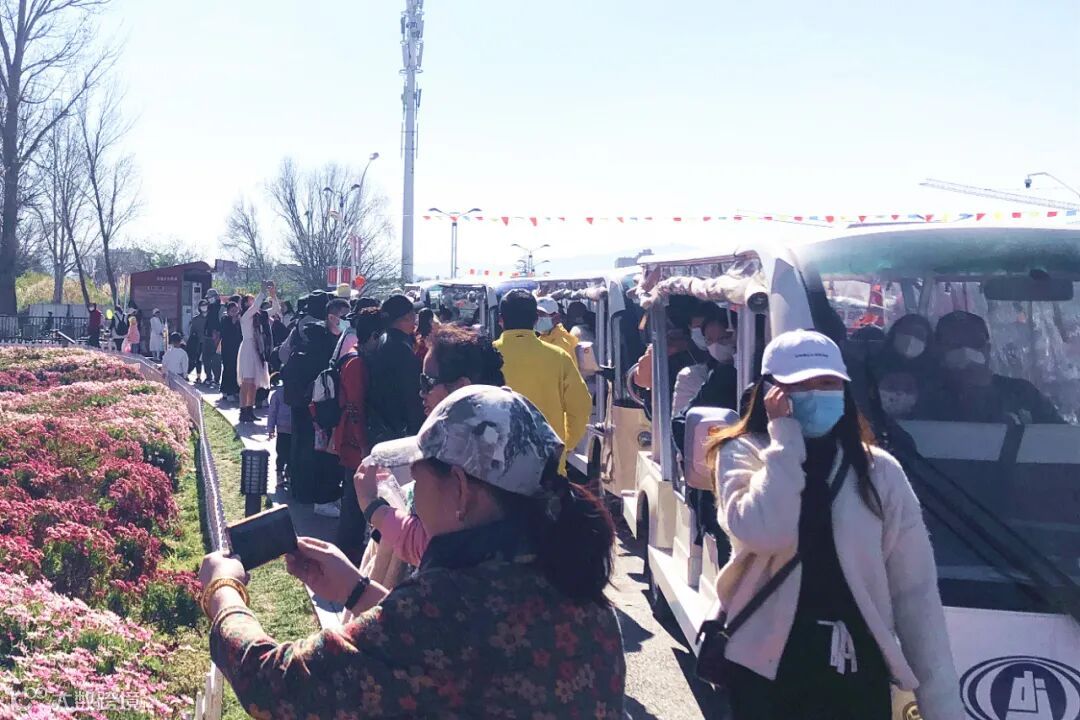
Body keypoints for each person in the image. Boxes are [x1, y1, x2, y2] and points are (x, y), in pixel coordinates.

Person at [199, 384, 626, 718]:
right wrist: (356, 591)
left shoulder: (445, 607)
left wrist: (223, 592)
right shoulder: (586, 601)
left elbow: (279, 683)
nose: (413, 496)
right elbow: (449, 660)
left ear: (460, 489)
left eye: (418, 480)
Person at [705, 329, 962, 720]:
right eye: (799, 385)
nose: (816, 393)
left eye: (828, 383)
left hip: (855, 671)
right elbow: (765, 532)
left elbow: (915, 594)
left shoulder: (879, 471)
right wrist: (784, 440)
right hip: (765, 674)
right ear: (771, 392)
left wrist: (942, 707)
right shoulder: (743, 454)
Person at [357, 323, 507, 568]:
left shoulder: (463, 452)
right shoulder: (505, 431)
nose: (421, 393)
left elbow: (436, 547)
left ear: (461, 387)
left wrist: (373, 507)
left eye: (427, 382)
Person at [494, 290, 591, 472]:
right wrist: (565, 444)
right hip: (548, 464)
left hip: (496, 466)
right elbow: (581, 406)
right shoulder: (559, 357)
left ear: (500, 319)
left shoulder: (487, 355)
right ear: (536, 319)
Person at [930, 310, 1063, 424]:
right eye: (954, 344)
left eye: (974, 343)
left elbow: (1061, 436)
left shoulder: (1021, 393)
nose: (966, 351)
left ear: (987, 349)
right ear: (938, 350)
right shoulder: (927, 395)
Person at [333, 307, 384, 562]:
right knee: (354, 497)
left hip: (355, 437)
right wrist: (364, 444)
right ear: (374, 336)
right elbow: (355, 407)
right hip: (354, 440)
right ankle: (347, 551)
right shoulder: (356, 363)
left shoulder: (358, 358)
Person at [365, 294, 424, 446]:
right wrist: (417, 431)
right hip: (399, 430)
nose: (416, 318)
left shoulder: (386, 338)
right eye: (414, 314)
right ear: (406, 317)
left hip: (384, 424)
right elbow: (410, 393)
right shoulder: (399, 348)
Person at [237, 283, 279, 423]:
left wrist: (273, 295)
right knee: (247, 381)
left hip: (258, 348)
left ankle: (250, 409)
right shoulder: (245, 316)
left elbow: (276, 309)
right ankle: (243, 410)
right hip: (248, 348)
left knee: (254, 383)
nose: (253, 301)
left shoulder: (259, 316)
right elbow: (255, 307)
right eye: (250, 299)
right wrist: (262, 292)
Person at [536, 296, 580, 367]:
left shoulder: (562, 343)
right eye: (536, 314)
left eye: (542, 314)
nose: (538, 318)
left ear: (556, 317)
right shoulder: (545, 336)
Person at [266, 374, 292, 492]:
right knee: (286, 452)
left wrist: (271, 428)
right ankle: (282, 473)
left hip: (283, 427)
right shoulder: (279, 394)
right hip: (288, 428)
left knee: (282, 452)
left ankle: (282, 474)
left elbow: (272, 412)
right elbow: (272, 411)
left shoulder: (277, 393)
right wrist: (271, 428)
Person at [219, 301, 243, 402]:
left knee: (236, 369)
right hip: (228, 349)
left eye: (236, 310)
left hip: (237, 348)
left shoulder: (239, 321)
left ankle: (235, 390)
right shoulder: (225, 320)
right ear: (228, 311)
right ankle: (227, 391)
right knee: (228, 369)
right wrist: (233, 321)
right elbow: (224, 333)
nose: (235, 312)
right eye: (232, 311)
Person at [203, 289, 223, 388]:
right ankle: (208, 377)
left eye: (211, 297)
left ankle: (216, 379)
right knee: (205, 358)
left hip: (217, 336)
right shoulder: (209, 308)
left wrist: (218, 334)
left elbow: (221, 322)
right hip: (208, 335)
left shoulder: (221, 308)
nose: (209, 299)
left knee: (216, 359)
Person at [187, 301, 208, 383]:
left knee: (208, 361)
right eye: (202, 305)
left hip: (209, 342)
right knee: (197, 360)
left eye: (205, 305)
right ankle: (198, 377)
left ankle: (209, 378)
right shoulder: (195, 319)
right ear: (199, 307)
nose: (204, 307)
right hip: (198, 343)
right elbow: (192, 332)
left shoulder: (211, 318)